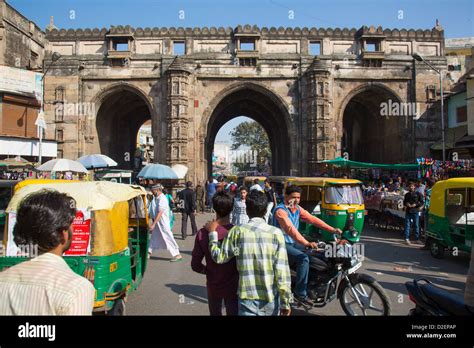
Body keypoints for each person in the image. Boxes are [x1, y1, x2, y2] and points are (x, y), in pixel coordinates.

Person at [0, 190, 95, 315]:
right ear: (63, 233)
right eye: (71, 224)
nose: (75, 228)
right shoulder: (77, 288)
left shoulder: (3, 280)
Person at [206, 190, 292, 316]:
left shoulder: (237, 232)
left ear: (247, 211)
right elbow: (282, 272)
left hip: (247, 298)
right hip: (270, 299)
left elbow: (219, 257)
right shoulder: (276, 234)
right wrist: (286, 302)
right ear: (264, 211)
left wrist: (213, 234)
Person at [273, 185, 342, 306]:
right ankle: (300, 294)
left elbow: (313, 219)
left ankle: (313, 284)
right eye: (293, 197)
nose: (296, 200)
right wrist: (306, 243)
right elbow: (290, 230)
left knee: (319, 254)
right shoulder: (281, 211)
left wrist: (332, 230)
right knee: (303, 259)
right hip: (281, 244)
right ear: (286, 197)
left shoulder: (297, 209)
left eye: (298, 197)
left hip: (293, 243)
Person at [191, 191, 239, 316]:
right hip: (234, 284)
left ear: (214, 209)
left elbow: (195, 265)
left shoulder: (203, 233)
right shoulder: (237, 233)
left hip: (213, 283)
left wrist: (208, 270)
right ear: (232, 209)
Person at [148, 184, 182, 262]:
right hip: (158, 222)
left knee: (168, 237)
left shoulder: (162, 198)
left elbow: (160, 212)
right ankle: (148, 252)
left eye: (153, 191)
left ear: (157, 190)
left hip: (163, 222)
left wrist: (153, 224)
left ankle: (177, 254)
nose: (152, 192)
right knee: (154, 237)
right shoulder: (157, 198)